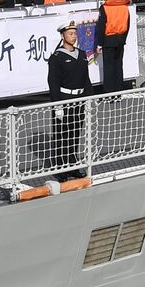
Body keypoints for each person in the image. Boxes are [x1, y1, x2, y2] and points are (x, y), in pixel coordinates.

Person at [47, 20, 92, 178]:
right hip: (64, 99)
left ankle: (72, 164)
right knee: (61, 134)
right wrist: (57, 105)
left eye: (75, 33)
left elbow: (86, 79)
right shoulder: (57, 57)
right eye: (70, 34)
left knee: (75, 133)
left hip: (79, 100)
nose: (73, 37)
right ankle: (60, 168)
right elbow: (53, 82)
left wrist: (89, 98)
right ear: (62, 35)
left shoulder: (81, 54)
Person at [97, 0, 131, 93]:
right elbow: (128, 24)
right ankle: (118, 92)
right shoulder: (124, 7)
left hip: (108, 40)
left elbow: (101, 26)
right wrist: (123, 39)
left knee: (109, 68)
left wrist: (99, 43)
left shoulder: (105, 7)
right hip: (120, 39)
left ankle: (109, 93)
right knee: (118, 66)